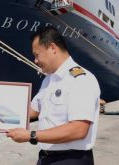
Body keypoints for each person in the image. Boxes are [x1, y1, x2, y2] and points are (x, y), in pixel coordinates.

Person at [6, 26, 100, 165]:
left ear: (53, 48)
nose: (35, 61)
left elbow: (78, 130)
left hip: (71, 160)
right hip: (46, 157)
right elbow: (33, 111)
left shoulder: (80, 79)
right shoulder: (48, 80)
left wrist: (31, 135)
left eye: (37, 55)